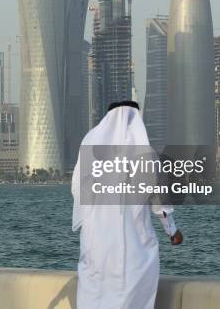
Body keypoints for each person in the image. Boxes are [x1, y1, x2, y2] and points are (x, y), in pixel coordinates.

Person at [72, 101, 183, 309]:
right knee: (129, 293)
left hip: (96, 244)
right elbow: (159, 201)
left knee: (95, 294)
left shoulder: (90, 147)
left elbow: (77, 189)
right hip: (133, 244)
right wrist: (173, 231)